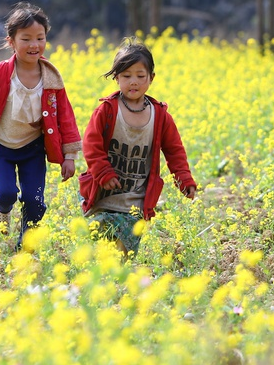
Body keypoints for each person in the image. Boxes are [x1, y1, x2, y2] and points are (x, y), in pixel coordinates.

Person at [0, 2, 81, 248]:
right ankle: (1, 210)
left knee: (35, 200)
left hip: (33, 148)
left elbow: (65, 117)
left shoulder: (51, 78)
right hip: (1, 146)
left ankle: (26, 245)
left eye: (40, 38)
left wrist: (70, 155)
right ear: (11, 41)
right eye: (26, 39)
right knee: (5, 193)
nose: (34, 45)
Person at [78, 38, 197, 256]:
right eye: (126, 76)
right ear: (116, 78)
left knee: (124, 255)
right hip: (103, 196)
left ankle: (119, 287)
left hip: (136, 200)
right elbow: (91, 146)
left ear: (151, 78)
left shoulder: (160, 116)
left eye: (140, 76)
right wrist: (103, 173)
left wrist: (184, 180)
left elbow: (174, 151)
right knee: (101, 251)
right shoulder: (106, 111)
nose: (133, 82)